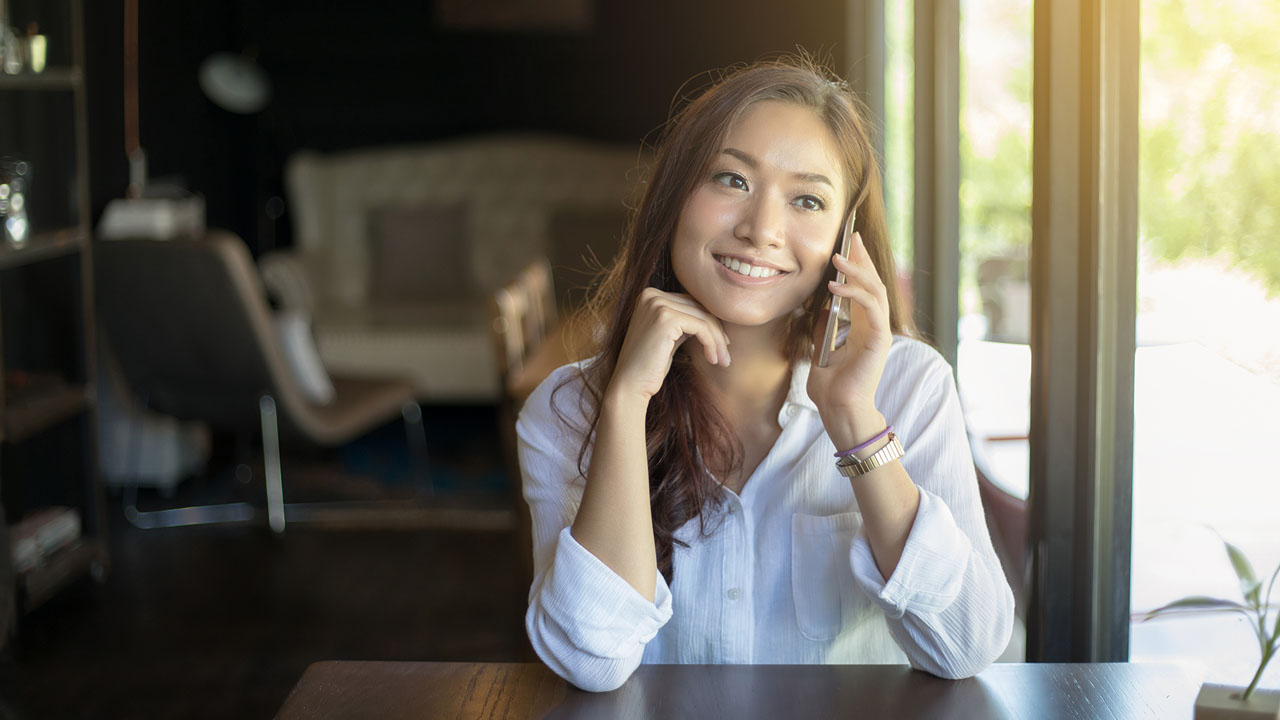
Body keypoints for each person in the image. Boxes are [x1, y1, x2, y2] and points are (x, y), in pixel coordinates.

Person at [517, 55, 1014, 692]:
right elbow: (591, 660)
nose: (762, 231)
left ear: (846, 237)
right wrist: (625, 406)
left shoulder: (910, 387)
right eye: (731, 180)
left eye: (807, 199)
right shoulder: (569, 407)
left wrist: (854, 420)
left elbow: (968, 646)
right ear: (674, 198)